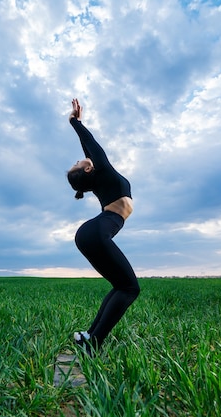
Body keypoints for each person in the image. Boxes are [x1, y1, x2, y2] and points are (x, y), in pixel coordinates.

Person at [66, 98, 140, 356]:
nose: (81, 158)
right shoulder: (102, 170)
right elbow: (93, 147)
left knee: (122, 287)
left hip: (92, 234)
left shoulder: (98, 180)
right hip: (95, 233)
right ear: (88, 169)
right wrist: (76, 122)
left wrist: (78, 125)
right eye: (79, 161)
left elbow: (87, 151)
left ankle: (89, 337)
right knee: (130, 288)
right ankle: (93, 345)